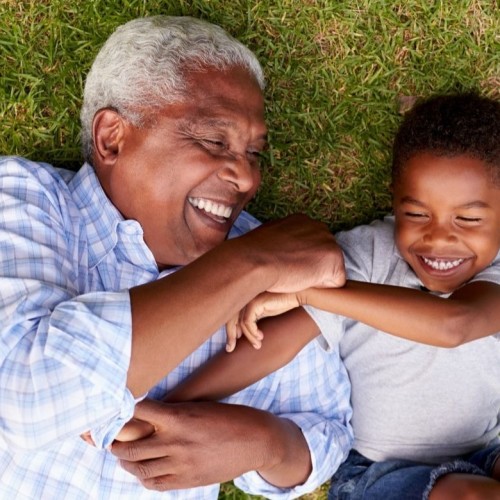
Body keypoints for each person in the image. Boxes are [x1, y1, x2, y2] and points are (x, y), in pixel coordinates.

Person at [0, 16, 353, 499]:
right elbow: (26, 396)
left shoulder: (270, 262)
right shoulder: (22, 197)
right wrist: (249, 264)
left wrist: (263, 444)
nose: (247, 178)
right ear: (112, 137)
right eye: (214, 141)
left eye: (254, 153)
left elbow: (328, 430)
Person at [119, 93, 500, 499]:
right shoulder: (369, 254)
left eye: (469, 219)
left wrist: (310, 292)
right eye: (417, 214)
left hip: (487, 450)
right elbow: (275, 343)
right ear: (395, 199)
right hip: (380, 472)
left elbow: (456, 324)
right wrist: (168, 408)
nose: (439, 238)